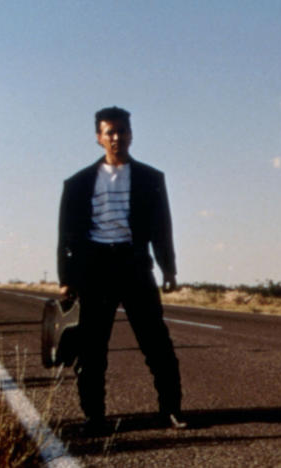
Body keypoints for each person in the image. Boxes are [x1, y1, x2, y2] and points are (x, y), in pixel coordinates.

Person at [57, 106, 187, 435]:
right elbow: (66, 234)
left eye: (122, 131)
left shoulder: (150, 178)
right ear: (99, 138)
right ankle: (94, 416)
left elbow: (162, 226)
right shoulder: (78, 182)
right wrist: (66, 279)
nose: (116, 137)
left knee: (157, 343)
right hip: (94, 268)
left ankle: (170, 410)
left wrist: (168, 268)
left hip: (134, 265)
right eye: (109, 132)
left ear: (131, 134)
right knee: (92, 348)